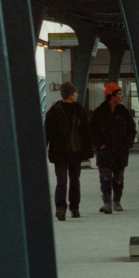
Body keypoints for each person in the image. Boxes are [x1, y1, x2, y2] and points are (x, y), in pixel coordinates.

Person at [44, 81, 93, 221]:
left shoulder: (79, 110)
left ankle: (74, 207)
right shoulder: (54, 112)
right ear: (70, 95)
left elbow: (86, 132)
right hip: (60, 153)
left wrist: (87, 151)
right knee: (62, 181)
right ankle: (61, 208)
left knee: (75, 181)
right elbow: (47, 133)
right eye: (75, 93)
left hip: (75, 152)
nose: (77, 95)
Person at [92, 82, 136, 214]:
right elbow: (91, 131)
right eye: (119, 94)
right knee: (105, 179)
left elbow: (132, 130)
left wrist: (127, 145)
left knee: (118, 179)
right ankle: (107, 203)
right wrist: (100, 145)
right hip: (104, 152)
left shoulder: (124, 113)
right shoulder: (99, 112)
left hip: (119, 152)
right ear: (112, 97)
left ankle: (117, 201)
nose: (122, 97)